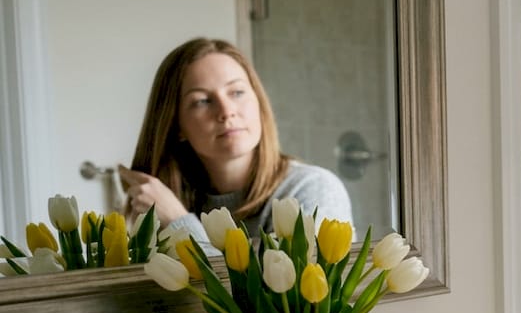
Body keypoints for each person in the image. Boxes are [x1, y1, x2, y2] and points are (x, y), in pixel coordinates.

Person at [121, 37, 352, 248]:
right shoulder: (171, 199)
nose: (226, 111)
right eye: (202, 101)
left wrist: (178, 223)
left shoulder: (312, 189)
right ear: (176, 125)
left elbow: (290, 294)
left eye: (237, 92)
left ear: (258, 102)